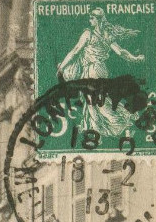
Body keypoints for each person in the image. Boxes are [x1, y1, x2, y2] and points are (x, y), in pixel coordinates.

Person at [57, 7, 146, 135]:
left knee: (93, 101)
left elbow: (75, 50)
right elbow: (121, 52)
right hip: (101, 70)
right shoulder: (106, 35)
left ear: (98, 20)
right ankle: (97, 126)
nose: (89, 20)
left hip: (92, 70)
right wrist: (135, 58)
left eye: (92, 18)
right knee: (99, 100)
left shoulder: (88, 34)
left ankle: (110, 123)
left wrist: (62, 67)